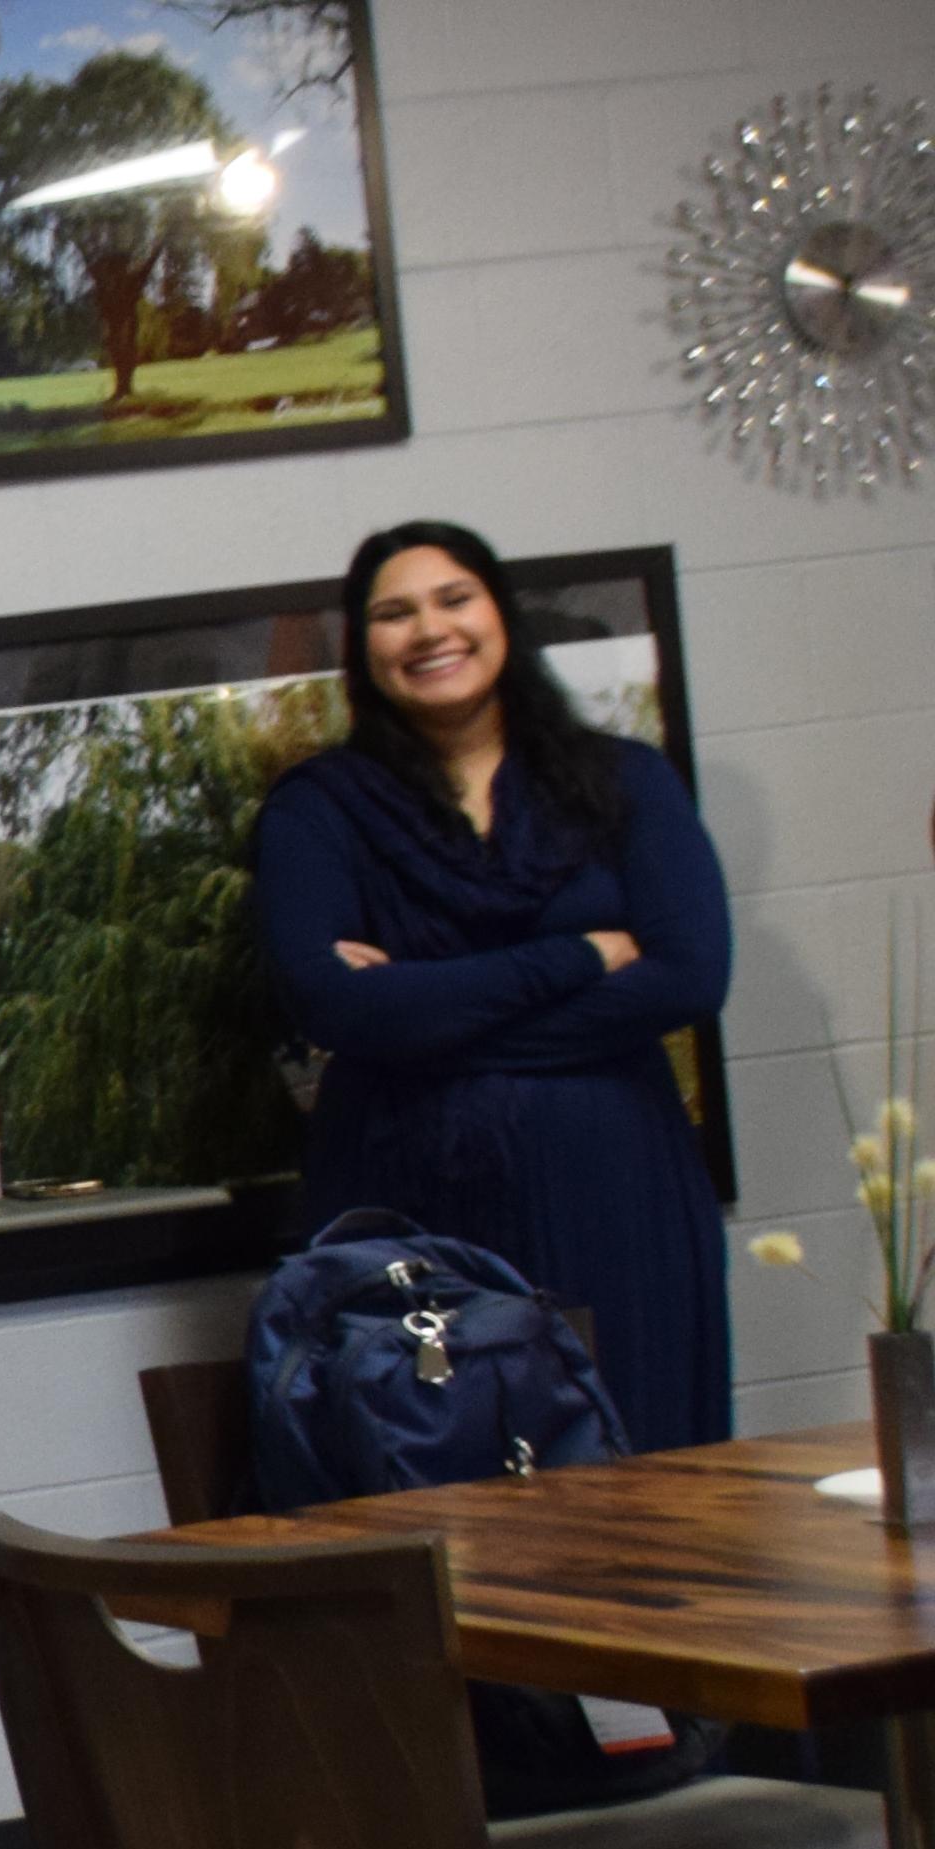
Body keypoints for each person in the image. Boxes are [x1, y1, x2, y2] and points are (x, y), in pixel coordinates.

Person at [254, 518, 735, 1454]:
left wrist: (419, 1013)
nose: (430, 630)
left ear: (500, 615)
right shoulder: (318, 811)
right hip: (408, 1205)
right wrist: (578, 957)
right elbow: (335, 1005)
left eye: (454, 599)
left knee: (645, 1481)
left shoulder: (627, 783)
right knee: (436, 1476)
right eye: (394, 613)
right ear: (363, 648)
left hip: (619, 1196)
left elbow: (689, 977)